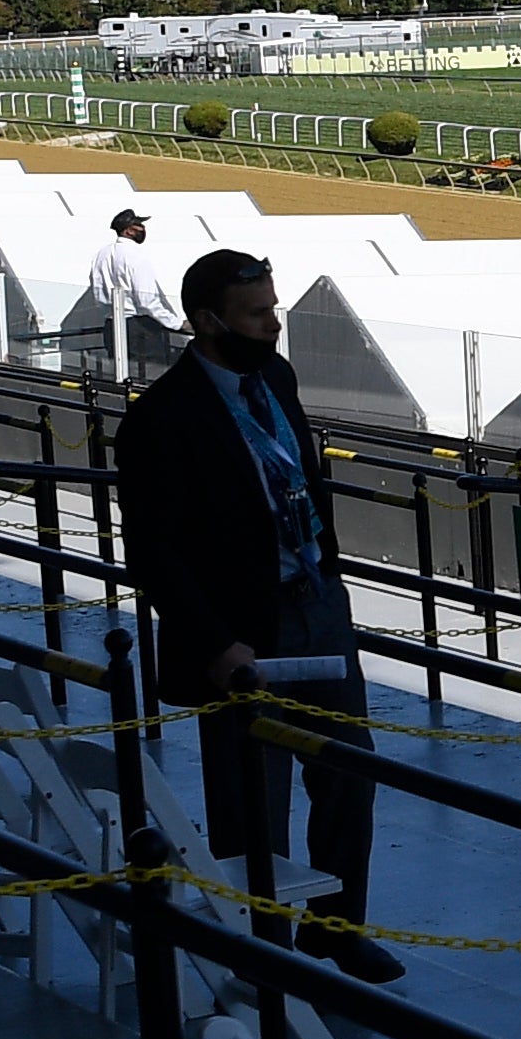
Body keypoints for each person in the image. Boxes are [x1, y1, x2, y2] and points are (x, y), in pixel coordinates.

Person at [117, 248, 404, 985]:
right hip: (240, 634)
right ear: (207, 322)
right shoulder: (160, 418)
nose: (272, 324)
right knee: (252, 802)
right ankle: (263, 951)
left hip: (314, 605)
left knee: (348, 773)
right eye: (256, 313)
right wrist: (215, 645)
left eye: (272, 308)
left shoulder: (275, 376)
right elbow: (154, 550)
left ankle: (336, 930)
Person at [79, 206, 184, 373]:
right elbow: (146, 300)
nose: (143, 229)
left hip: (112, 323)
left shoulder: (101, 255)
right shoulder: (136, 255)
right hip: (141, 327)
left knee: (122, 374)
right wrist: (176, 323)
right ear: (128, 231)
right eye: (139, 226)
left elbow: (98, 292)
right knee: (150, 375)